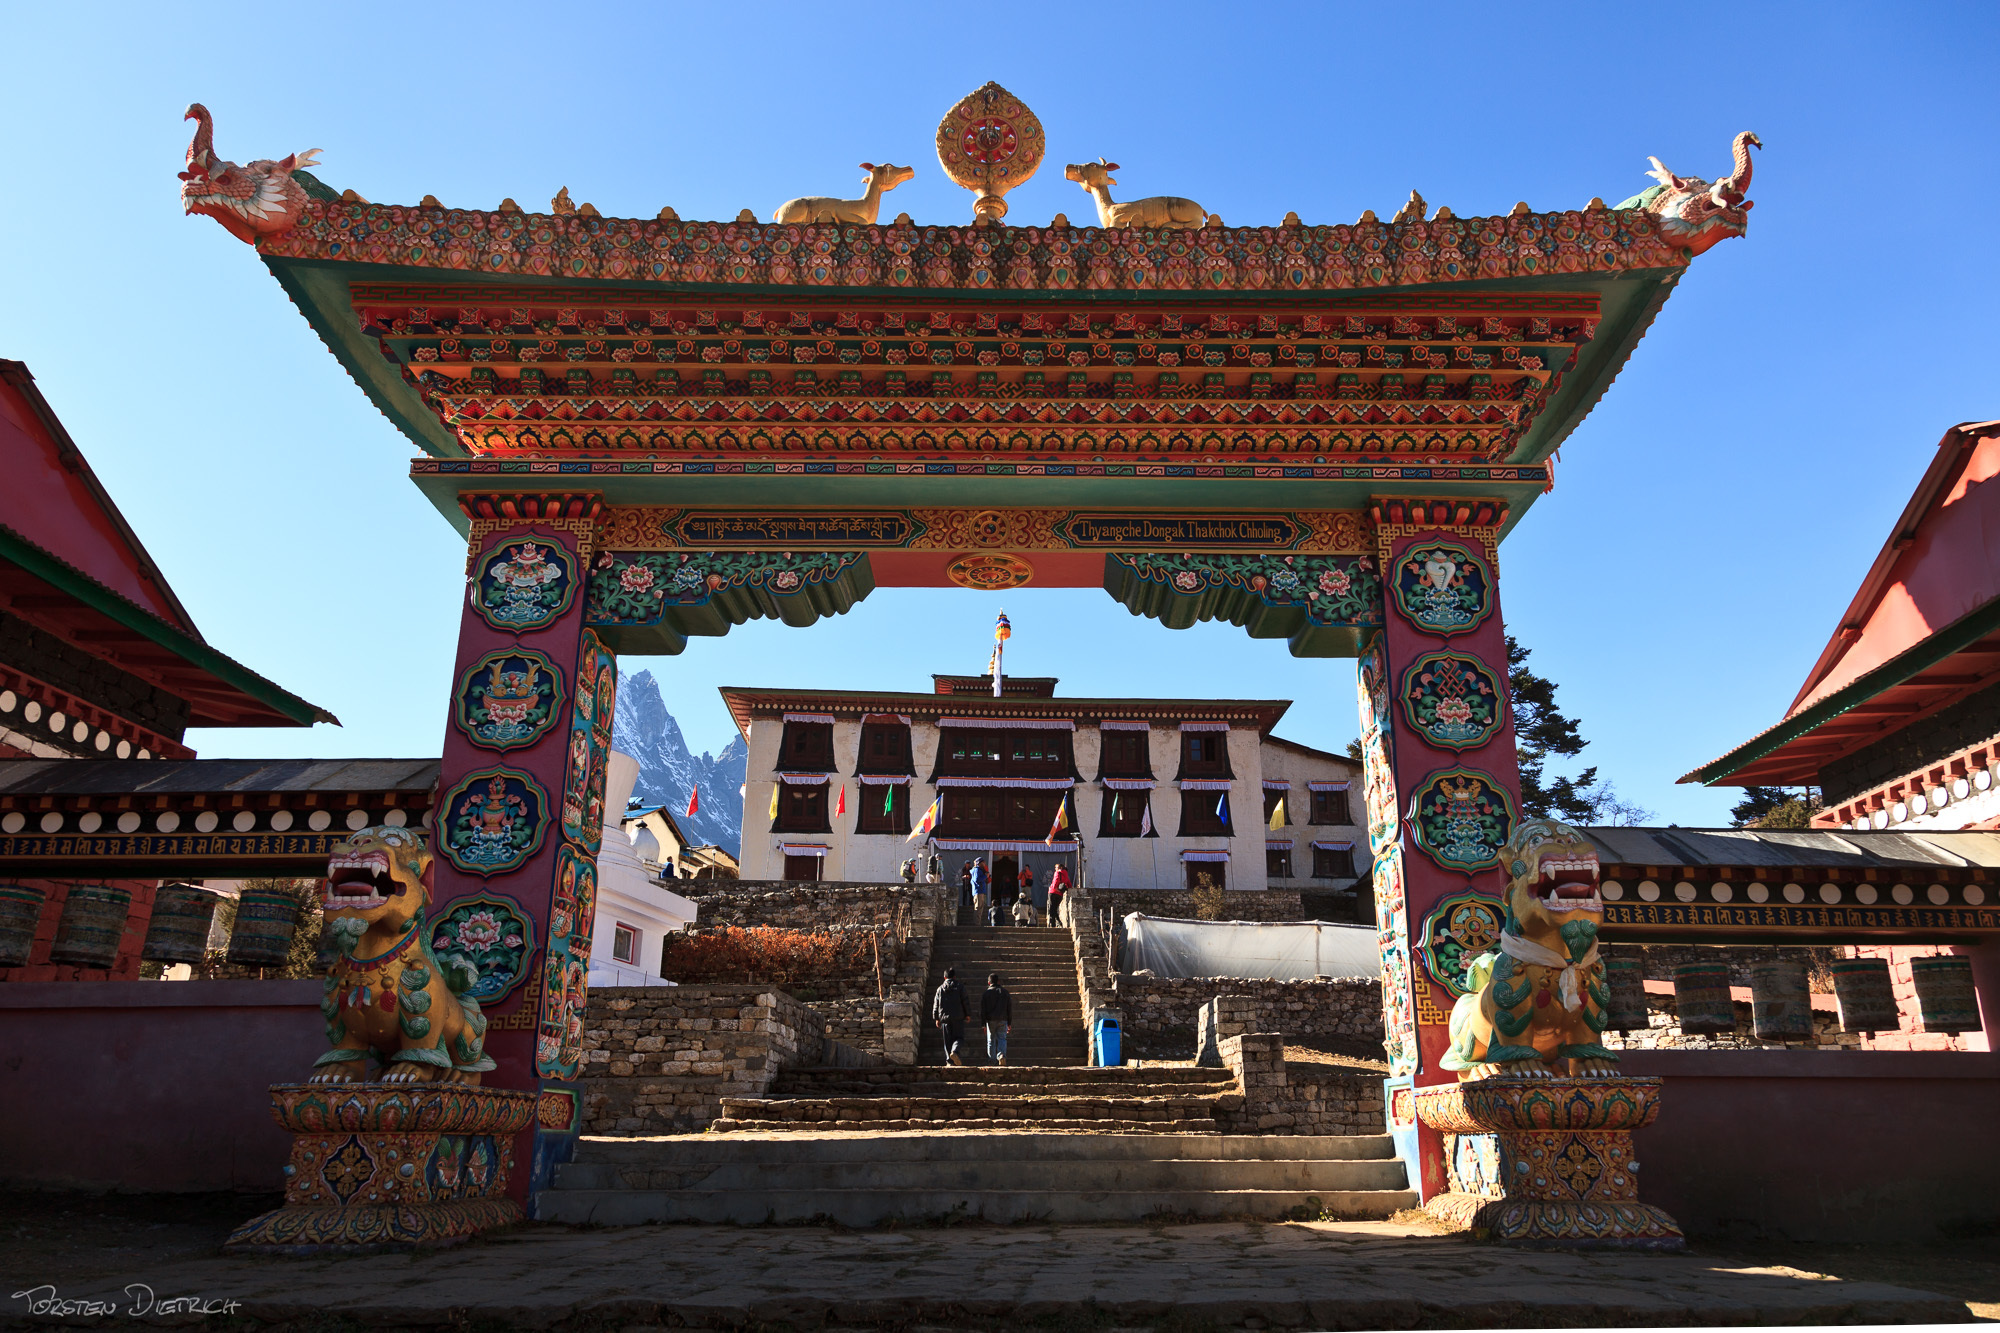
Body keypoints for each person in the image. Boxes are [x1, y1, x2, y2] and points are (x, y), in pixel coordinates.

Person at [931, 966, 968, 1066]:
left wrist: (936, 1018)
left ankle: (949, 1061)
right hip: (958, 1017)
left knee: (947, 1041)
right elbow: (965, 1001)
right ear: (955, 977)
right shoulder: (960, 987)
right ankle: (955, 1051)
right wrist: (967, 1014)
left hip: (944, 1018)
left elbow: (936, 1004)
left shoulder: (940, 989)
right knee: (959, 1038)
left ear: (944, 977)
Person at [980, 972, 1012, 1066]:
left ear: (989, 983)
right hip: (1003, 1019)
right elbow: (1009, 1009)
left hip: (990, 1020)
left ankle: (991, 1061)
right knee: (1002, 1038)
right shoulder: (1005, 992)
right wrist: (1009, 1022)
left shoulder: (986, 993)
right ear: (998, 981)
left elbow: (983, 1010)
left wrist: (983, 1024)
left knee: (991, 1041)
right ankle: (1001, 1055)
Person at [1046, 863, 1068, 929]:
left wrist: (1054, 887)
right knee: (1055, 909)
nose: (1055, 869)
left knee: (1051, 909)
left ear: (1059, 868)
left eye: (1056, 867)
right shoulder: (1066, 874)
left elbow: (1056, 880)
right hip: (1060, 894)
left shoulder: (1057, 873)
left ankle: (1052, 924)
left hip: (1053, 892)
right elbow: (1068, 882)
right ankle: (1058, 922)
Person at [970, 856, 991, 924]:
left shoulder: (977, 870)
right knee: (978, 908)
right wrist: (985, 876)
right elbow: (977, 879)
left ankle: (978, 922)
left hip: (979, 890)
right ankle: (977, 924)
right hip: (978, 890)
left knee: (980, 908)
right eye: (983, 862)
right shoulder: (977, 870)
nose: (984, 864)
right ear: (980, 863)